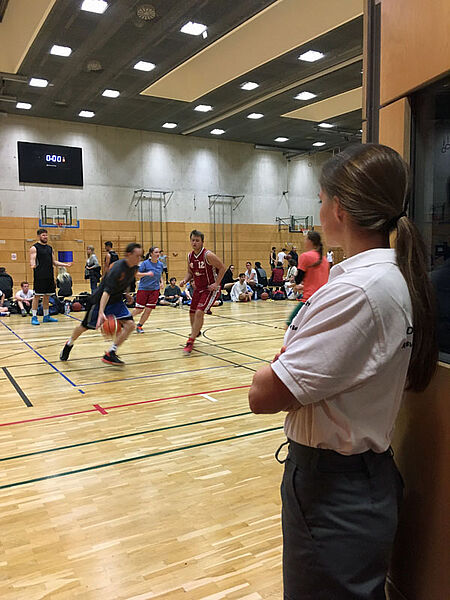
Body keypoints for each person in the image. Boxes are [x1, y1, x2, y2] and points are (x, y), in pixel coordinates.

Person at [248, 143, 438, 600]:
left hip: (334, 489)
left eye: (319, 200)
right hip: (357, 481)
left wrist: (276, 365)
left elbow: (264, 395)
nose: (317, 211)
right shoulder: (387, 277)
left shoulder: (358, 290)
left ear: (339, 207)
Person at [60, 243, 142, 365]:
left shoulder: (134, 267)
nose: (139, 259)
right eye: (137, 256)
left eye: (141, 256)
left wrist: (127, 294)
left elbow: (124, 283)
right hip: (100, 301)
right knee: (84, 327)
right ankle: (69, 343)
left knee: (130, 325)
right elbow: (106, 292)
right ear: (129, 255)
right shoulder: (117, 269)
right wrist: (101, 313)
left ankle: (111, 353)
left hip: (116, 301)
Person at [180, 229, 225, 354]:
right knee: (192, 313)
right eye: (192, 240)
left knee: (199, 313)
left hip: (209, 289)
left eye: (197, 240)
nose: (194, 243)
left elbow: (222, 268)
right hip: (198, 289)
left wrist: (216, 284)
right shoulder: (189, 256)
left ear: (202, 242)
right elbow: (190, 272)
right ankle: (196, 331)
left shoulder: (208, 255)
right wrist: (184, 280)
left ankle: (190, 341)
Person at [30, 228, 72, 326]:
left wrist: (65, 265)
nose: (45, 237)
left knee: (47, 296)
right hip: (39, 276)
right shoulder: (34, 248)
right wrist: (32, 264)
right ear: (39, 236)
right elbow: (32, 259)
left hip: (49, 275)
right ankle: (34, 316)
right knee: (36, 296)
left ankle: (46, 316)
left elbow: (54, 262)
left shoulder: (50, 248)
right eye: (43, 235)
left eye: (46, 235)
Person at [286, 231, 329, 325]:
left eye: (306, 239)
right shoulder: (324, 260)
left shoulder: (305, 256)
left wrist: (297, 284)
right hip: (323, 300)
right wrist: (302, 286)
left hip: (309, 300)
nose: (304, 241)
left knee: (289, 325)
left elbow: (298, 279)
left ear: (310, 241)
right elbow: (319, 281)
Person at [132, 246, 164, 333]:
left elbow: (160, 274)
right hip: (144, 289)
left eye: (159, 252)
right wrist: (146, 274)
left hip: (155, 290)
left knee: (148, 310)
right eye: (156, 252)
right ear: (151, 254)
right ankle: (124, 319)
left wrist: (162, 282)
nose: (158, 254)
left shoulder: (160, 264)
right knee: (139, 309)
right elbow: (137, 274)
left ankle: (139, 326)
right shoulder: (145, 264)